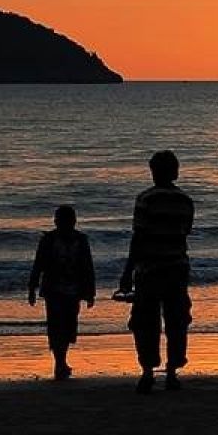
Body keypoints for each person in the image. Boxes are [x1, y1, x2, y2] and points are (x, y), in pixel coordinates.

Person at [115, 150, 195, 394]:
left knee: (145, 322)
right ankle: (172, 372)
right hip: (177, 267)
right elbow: (185, 232)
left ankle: (148, 372)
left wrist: (127, 271)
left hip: (150, 270)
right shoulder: (185, 200)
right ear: (175, 172)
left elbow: (138, 237)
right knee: (177, 321)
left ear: (154, 172)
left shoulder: (145, 199)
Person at [28, 205, 96, 381]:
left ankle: (61, 361)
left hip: (73, 290)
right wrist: (32, 287)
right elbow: (39, 264)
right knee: (56, 326)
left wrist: (90, 292)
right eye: (60, 220)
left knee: (68, 327)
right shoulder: (48, 240)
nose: (63, 223)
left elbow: (87, 266)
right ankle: (60, 362)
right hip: (54, 291)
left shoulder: (81, 240)